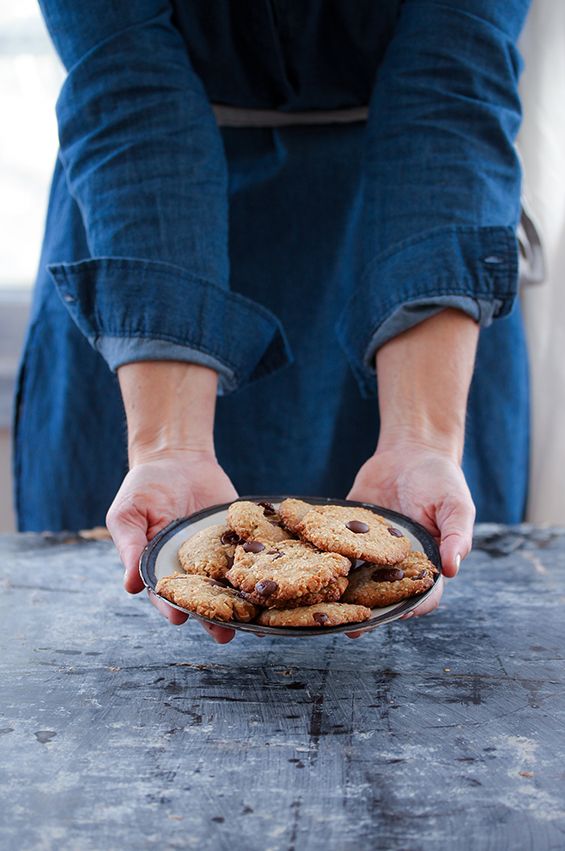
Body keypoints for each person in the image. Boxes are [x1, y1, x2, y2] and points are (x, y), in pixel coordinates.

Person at [15, 0, 531, 642]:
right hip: (141, 237)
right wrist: (167, 445)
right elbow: (126, 85)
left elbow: (455, 77)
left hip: (416, 237)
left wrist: (421, 438)